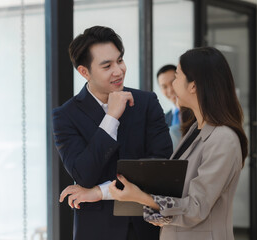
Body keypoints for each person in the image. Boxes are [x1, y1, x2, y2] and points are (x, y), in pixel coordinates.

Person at [60, 46, 248, 240]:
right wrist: (102, 193)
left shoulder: (223, 139)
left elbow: (196, 207)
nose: (172, 85)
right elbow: (172, 190)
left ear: (193, 86)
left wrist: (140, 197)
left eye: (177, 76)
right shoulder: (194, 130)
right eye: (107, 65)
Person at [53, 26, 172, 240]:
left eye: (120, 60)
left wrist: (100, 192)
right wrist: (111, 118)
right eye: (107, 66)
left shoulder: (146, 103)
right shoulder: (65, 116)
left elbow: (160, 167)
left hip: (147, 228)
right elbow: (83, 174)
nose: (118, 71)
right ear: (84, 72)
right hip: (96, 231)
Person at [157, 64, 181, 149]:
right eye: (164, 87)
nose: (170, 90)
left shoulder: (197, 113)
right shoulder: (163, 120)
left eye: (173, 82)